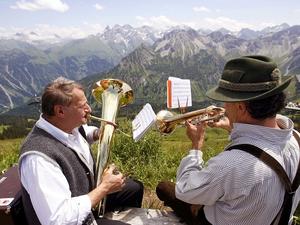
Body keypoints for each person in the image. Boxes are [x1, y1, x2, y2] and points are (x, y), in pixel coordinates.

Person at [156, 55, 300, 225]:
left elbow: (185, 190)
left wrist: (196, 146)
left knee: (165, 188)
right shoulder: (296, 139)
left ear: (240, 107)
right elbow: (265, 139)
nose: (224, 107)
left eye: (227, 101)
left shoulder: (231, 164)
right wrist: (231, 125)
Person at [19, 77, 143, 225]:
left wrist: (97, 133)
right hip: (71, 219)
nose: (89, 109)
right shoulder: (38, 159)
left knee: (135, 188)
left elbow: (83, 132)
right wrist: (104, 188)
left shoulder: (65, 126)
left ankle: (104, 215)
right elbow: (57, 220)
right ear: (60, 111)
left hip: (86, 196)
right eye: (82, 106)